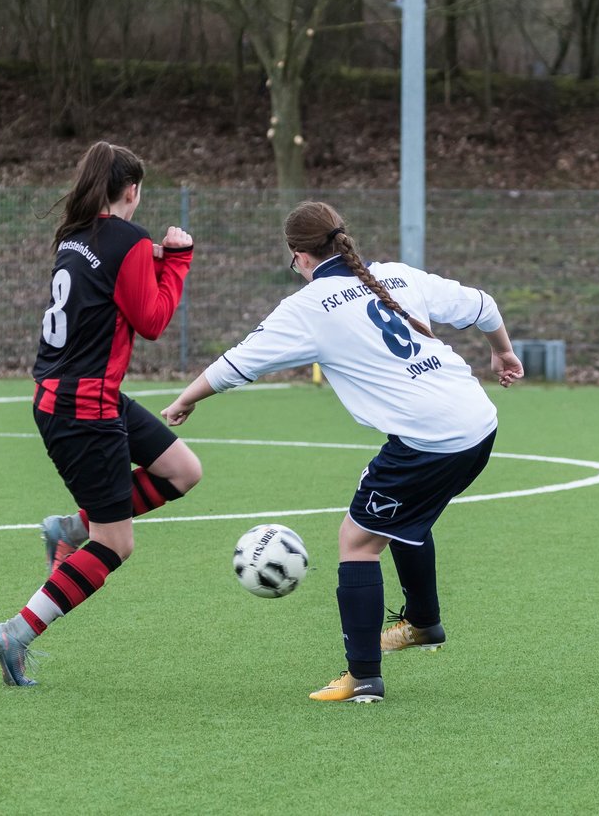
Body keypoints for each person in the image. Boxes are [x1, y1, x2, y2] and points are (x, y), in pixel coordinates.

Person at [160, 200, 524, 703]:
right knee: (402, 520)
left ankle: (363, 678)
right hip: (478, 423)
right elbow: (482, 305)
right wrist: (502, 351)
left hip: (430, 439)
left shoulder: (308, 307)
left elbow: (238, 363)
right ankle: (423, 622)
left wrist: (184, 401)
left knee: (357, 541)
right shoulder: (394, 276)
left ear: (300, 256)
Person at [0, 141, 201, 687]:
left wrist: (150, 257)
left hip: (79, 396)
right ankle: (17, 632)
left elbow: (108, 290)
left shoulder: (76, 237)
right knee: (115, 543)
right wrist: (176, 259)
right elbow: (150, 320)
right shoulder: (126, 240)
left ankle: (70, 526)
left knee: (182, 471)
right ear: (132, 191)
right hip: (84, 407)